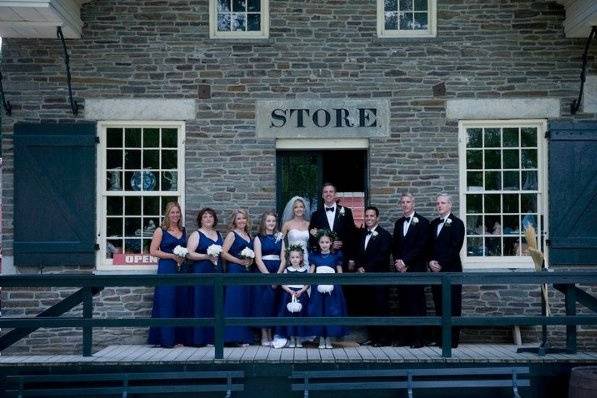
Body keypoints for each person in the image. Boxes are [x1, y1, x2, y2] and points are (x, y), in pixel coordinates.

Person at [308, 183, 357, 314]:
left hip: (342, 257)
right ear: (322, 195)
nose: (328, 194)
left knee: (342, 290)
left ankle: (341, 322)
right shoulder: (316, 215)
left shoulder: (346, 212)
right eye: (325, 192)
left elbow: (352, 235)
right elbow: (312, 238)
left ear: (335, 194)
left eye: (331, 191)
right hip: (323, 260)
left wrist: (352, 257)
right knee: (322, 290)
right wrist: (327, 245)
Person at [392, 193, 430, 348]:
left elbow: (421, 247)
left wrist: (406, 262)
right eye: (403, 202)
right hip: (401, 270)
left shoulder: (422, 222)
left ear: (413, 203)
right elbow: (395, 246)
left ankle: (418, 339)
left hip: (415, 269)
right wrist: (398, 262)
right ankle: (404, 338)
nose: (405, 204)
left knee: (417, 304)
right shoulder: (399, 223)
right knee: (403, 304)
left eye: (408, 202)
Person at [428, 193, 465, 348]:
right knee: (439, 304)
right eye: (438, 203)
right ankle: (440, 339)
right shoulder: (434, 223)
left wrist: (441, 263)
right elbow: (428, 245)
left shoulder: (457, 223)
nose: (440, 206)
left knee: (453, 306)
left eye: (443, 203)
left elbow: (455, 247)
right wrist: (430, 262)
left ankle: (452, 341)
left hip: (451, 271)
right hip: (435, 272)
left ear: (450, 205)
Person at [148, 202, 187, 348]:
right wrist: (171, 256)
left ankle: (179, 338)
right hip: (166, 268)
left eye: (177, 212)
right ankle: (165, 339)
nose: (175, 215)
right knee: (166, 301)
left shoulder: (183, 230)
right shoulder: (161, 230)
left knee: (181, 301)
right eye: (172, 212)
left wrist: (183, 255)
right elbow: (153, 251)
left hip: (181, 269)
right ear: (167, 214)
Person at [354, 206, 392, 346]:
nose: (369, 218)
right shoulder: (362, 234)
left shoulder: (385, 235)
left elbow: (382, 256)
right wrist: (358, 266)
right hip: (365, 278)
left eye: (372, 216)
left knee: (380, 307)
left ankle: (383, 339)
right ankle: (373, 336)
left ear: (377, 218)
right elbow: (358, 253)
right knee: (369, 307)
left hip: (379, 277)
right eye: (367, 216)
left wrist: (366, 268)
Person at [185, 207, 222, 347]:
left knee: (214, 304)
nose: (208, 219)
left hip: (216, 272)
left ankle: (212, 338)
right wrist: (207, 256)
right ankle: (199, 339)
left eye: (210, 216)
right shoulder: (196, 234)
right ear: (200, 219)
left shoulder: (219, 234)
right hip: (200, 272)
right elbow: (189, 253)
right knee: (200, 303)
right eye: (205, 216)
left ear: (214, 219)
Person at [308, 230, 348, 349]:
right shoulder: (314, 256)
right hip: (318, 288)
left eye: (327, 242)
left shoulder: (336, 256)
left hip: (332, 288)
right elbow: (311, 272)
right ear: (318, 243)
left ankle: (329, 339)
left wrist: (337, 284)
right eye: (322, 242)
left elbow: (339, 272)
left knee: (331, 311)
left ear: (331, 243)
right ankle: (321, 338)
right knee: (319, 311)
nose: (324, 244)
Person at [221, 209, 255, 345]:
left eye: (244, 218)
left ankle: (243, 337)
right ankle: (231, 338)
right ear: (234, 221)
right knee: (234, 302)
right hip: (235, 270)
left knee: (244, 302)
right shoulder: (232, 234)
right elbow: (223, 253)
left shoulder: (248, 235)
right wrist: (239, 261)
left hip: (247, 271)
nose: (241, 221)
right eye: (239, 218)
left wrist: (249, 261)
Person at [253, 211, 285, 347]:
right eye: (268, 221)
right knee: (263, 303)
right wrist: (269, 277)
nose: (271, 223)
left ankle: (272, 333)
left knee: (275, 303)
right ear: (264, 223)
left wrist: (277, 276)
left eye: (273, 221)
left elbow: (284, 258)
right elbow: (258, 259)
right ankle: (264, 335)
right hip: (263, 273)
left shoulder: (280, 237)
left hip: (277, 270)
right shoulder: (258, 238)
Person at [275, 244, 310, 348]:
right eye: (292, 257)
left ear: (301, 258)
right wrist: (290, 291)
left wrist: (301, 291)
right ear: (289, 259)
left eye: (297, 257)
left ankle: (299, 339)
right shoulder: (287, 270)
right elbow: (283, 284)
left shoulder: (304, 270)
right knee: (289, 316)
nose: (295, 259)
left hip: (301, 295)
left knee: (300, 316)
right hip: (289, 295)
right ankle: (291, 338)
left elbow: (307, 284)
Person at [281, 196, 311, 267]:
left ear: (304, 209)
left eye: (301, 207)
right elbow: (280, 242)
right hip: (292, 257)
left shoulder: (309, 224)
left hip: (306, 256)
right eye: (296, 207)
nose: (299, 209)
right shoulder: (287, 224)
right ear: (293, 210)